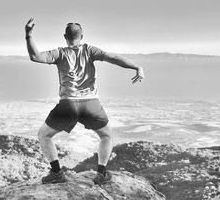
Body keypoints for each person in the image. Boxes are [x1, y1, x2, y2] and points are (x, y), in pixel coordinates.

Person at [24, 17, 144, 185]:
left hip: (68, 105)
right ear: (82, 36)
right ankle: (101, 174)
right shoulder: (89, 50)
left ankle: (57, 173)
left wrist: (28, 34)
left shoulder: (59, 53)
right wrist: (136, 67)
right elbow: (114, 57)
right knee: (106, 136)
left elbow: (35, 56)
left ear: (65, 37)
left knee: (44, 135)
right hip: (91, 104)